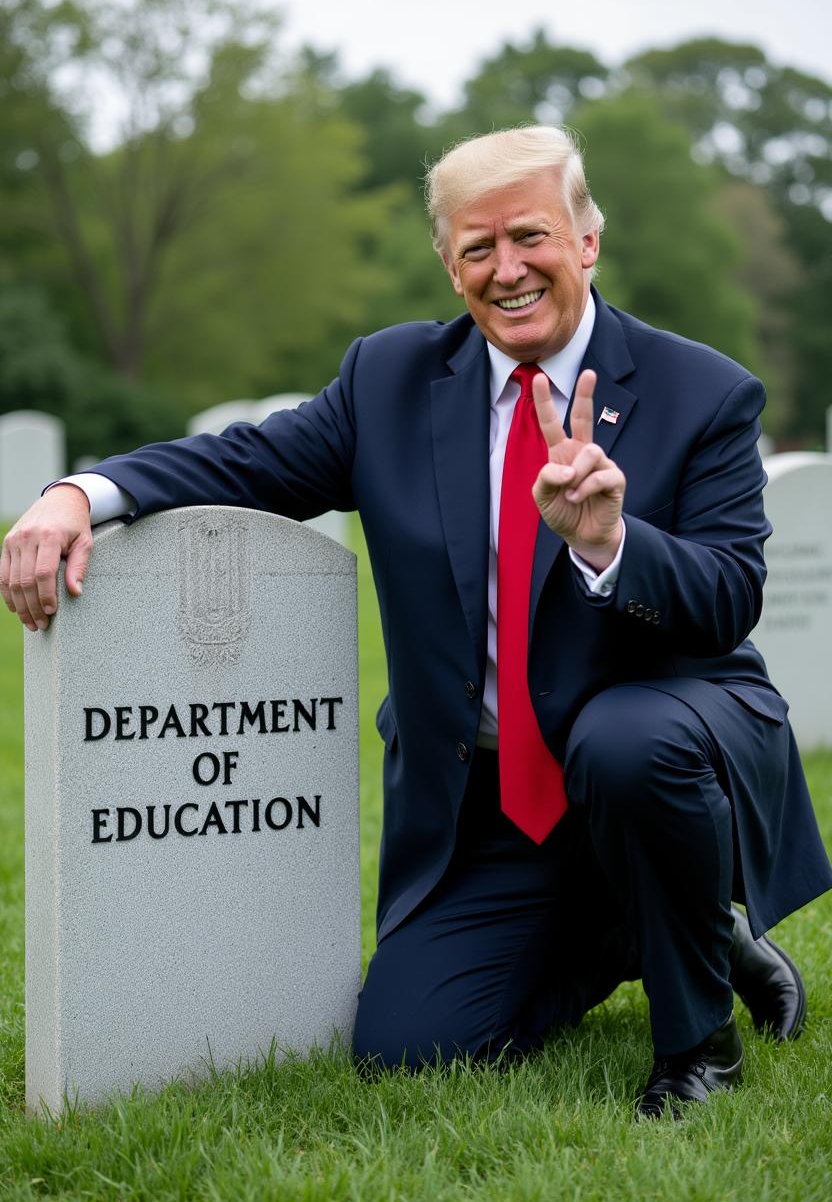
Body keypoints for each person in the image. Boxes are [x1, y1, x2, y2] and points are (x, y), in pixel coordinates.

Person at [3, 126, 830, 1119]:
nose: (507, 268)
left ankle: (697, 1038)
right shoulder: (389, 379)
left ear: (586, 240)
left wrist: (613, 543)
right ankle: (665, 916)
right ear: (449, 265)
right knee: (410, 1048)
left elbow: (730, 594)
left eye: (530, 236)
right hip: (493, 799)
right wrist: (79, 494)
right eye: (478, 248)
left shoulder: (702, 389)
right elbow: (244, 462)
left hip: (659, 737)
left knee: (623, 741)